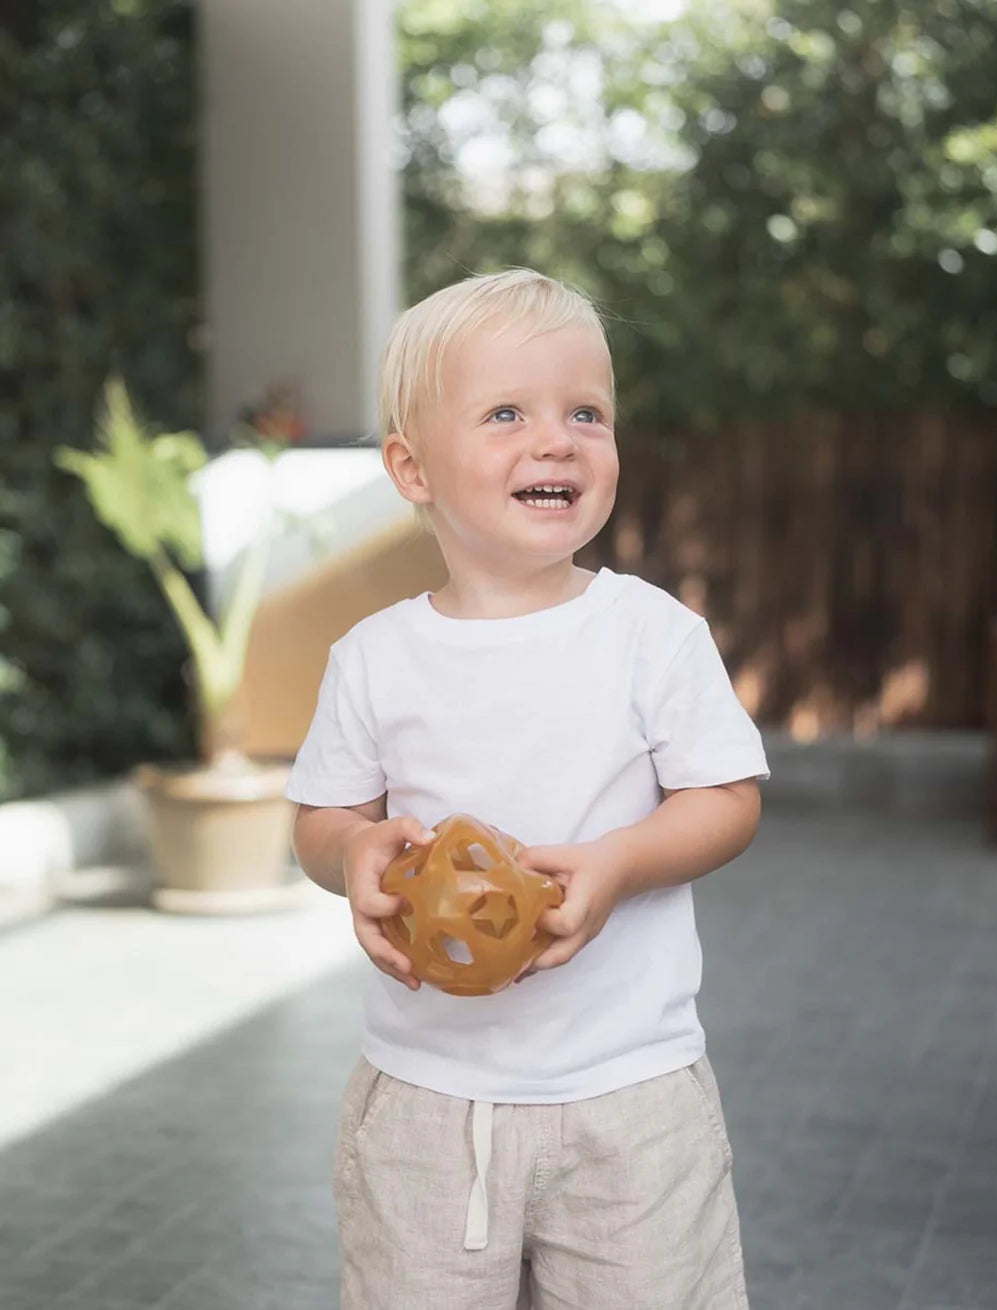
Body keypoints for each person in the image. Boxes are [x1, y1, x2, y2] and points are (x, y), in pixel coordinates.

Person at [286, 267, 769, 1309]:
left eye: (584, 413)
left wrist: (618, 862)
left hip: (630, 1101)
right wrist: (350, 854)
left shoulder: (650, 635)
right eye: (506, 412)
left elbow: (726, 797)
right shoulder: (372, 657)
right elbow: (323, 816)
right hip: (424, 1103)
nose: (555, 439)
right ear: (411, 469)